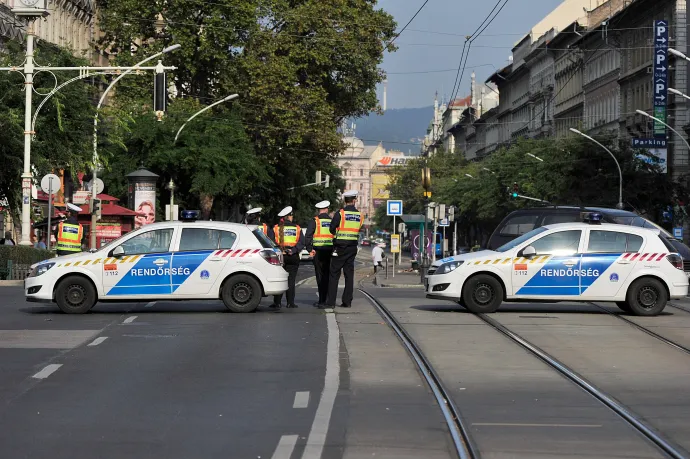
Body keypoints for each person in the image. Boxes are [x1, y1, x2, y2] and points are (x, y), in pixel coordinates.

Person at [325, 190, 363, 308]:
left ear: (345, 200)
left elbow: (332, 228)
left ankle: (331, 302)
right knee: (349, 274)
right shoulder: (360, 215)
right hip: (352, 248)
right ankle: (347, 301)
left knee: (334, 274)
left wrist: (337, 235)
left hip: (340, 247)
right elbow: (358, 229)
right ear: (354, 200)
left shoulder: (340, 213)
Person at [271, 206, 303, 309]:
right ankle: (290, 303)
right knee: (291, 280)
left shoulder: (276, 228)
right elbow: (301, 242)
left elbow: (271, 242)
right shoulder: (297, 228)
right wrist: (293, 250)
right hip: (293, 256)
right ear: (288, 216)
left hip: (280, 257)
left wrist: (281, 250)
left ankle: (277, 303)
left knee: (279, 279)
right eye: (292, 215)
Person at [305, 200, 333, 307]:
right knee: (328, 275)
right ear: (326, 209)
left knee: (320, 276)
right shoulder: (331, 221)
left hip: (318, 252)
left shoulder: (315, 221)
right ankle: (328, 299)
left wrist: (309, 249)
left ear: (319, 210)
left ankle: (322, 300)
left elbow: (308, 236)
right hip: (329, 251)